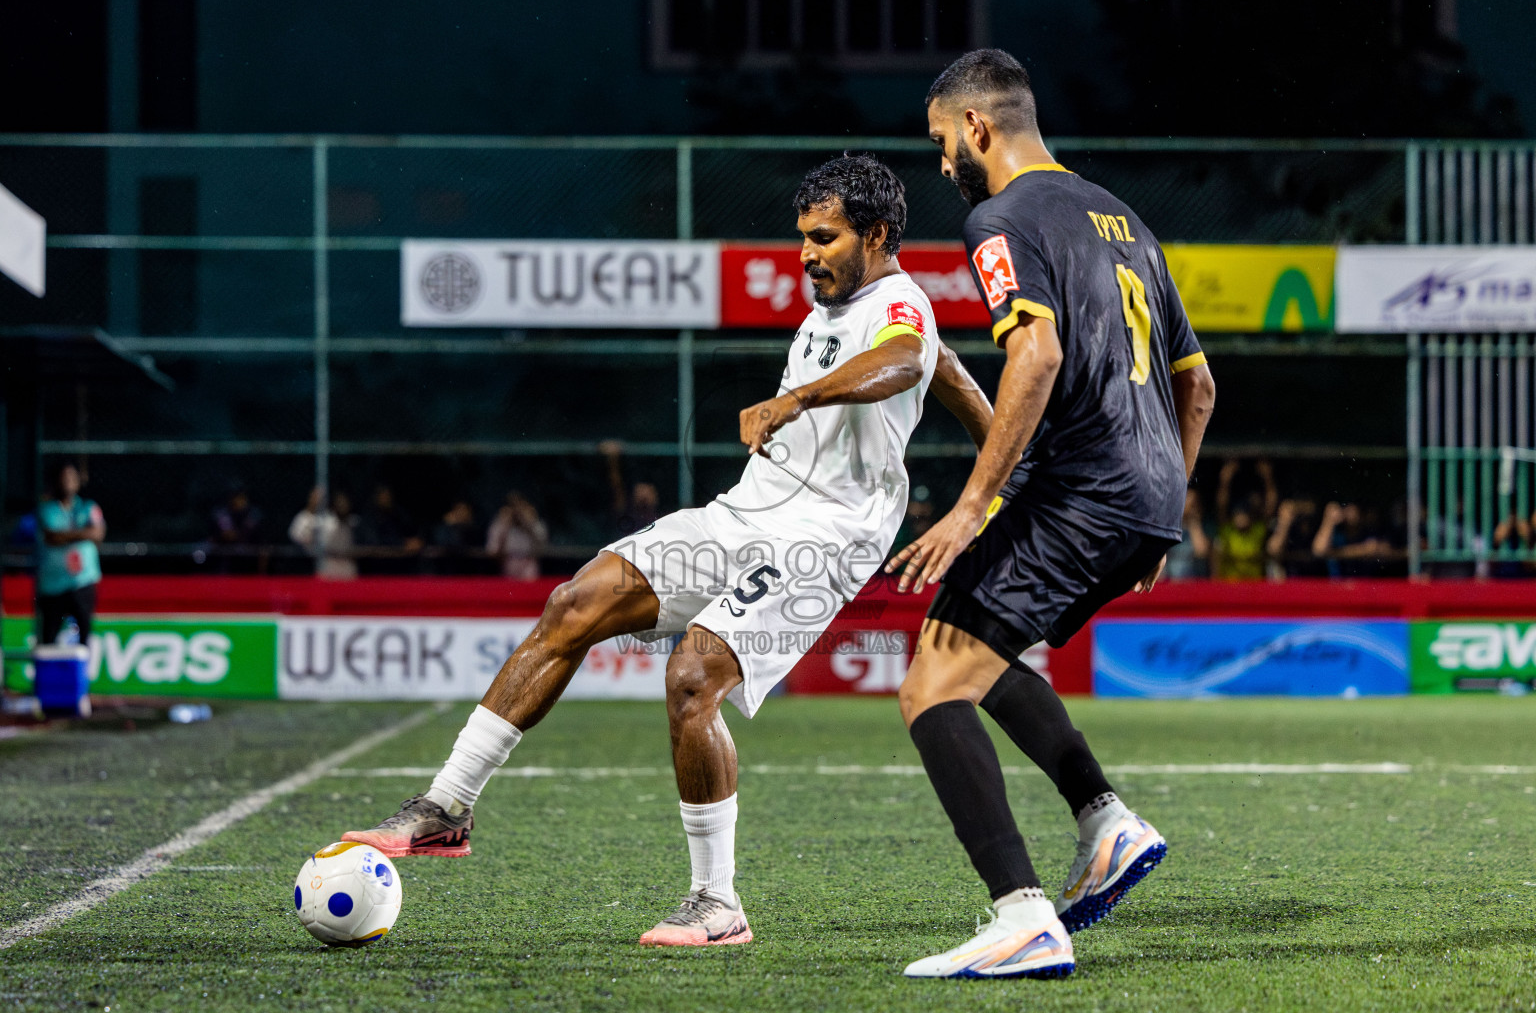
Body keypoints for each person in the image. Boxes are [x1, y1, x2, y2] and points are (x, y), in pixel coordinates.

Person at [341, 155, 994, 948]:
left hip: (826, 538)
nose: (806, 254)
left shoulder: (898, 302)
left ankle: (716, 903)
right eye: (801, 239)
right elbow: (944, 368)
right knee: (575, 604)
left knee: (692, 676)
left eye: (823, 238)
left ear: (879, 234)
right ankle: (446, 806)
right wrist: (1004, 458)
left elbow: (902, 362)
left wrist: (796, 398)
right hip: (742, 515)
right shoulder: (843, 308)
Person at [886, 50, 1215, 979]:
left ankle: (1023, 917)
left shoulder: (1001, 218)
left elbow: (1035, 359)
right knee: (967, 648)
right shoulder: (1130, 222)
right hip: (1143, 496)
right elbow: (1199, 389)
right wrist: (1165, 506)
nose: (942, 161)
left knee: (931, 686)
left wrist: (972, 505)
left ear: (978, 130)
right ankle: (1104, 821)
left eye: (942, 142)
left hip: (1086, 486)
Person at [36, 463, 105, 645]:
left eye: (71, 477)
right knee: (49, 638)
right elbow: (53, 537)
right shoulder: (47, 509)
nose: (67, 482)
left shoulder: (88, 507)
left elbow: (97, 533)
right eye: (63, 477)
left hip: (83, 581)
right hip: (54, 584)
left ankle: (81, 673)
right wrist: (83, 534)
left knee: (84, 637)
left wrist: (66, 535)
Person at [288, 487, 358, 580]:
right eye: (315, 496)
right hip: (317, 564)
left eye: (321, 497)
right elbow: (296, 537)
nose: (318, 500)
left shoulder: (337, 519)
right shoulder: (308, 519)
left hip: (339, 563)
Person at [485, 491, 548, 580]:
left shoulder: (533, 522)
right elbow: (492, 549)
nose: (517, 511)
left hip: (529, 563)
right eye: (513, 506)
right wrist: (503, 524)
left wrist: (529, 522)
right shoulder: (501, 523)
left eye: (519, 506)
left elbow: (543, 543)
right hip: (508, 563)